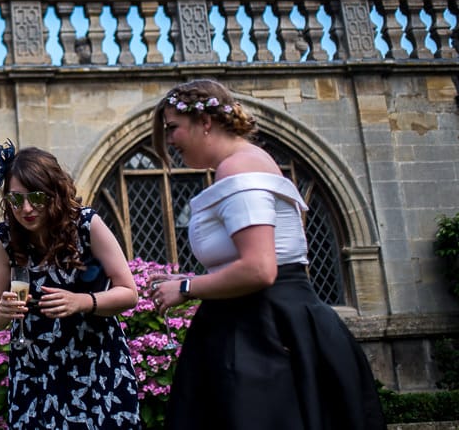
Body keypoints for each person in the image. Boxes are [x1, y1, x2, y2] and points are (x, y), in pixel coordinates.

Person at [148, 78, 386, 430]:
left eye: (173, 128)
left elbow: (260, 269)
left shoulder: (238, 167)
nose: (169, 140)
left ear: (206, 123)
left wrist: (186, 288)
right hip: (265, 319)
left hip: (262, 329)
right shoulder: (249, 162)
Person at [0, 142, 142, 429]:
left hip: (97, 367)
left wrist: (83, 302)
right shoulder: (3, 239)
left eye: (35, 198)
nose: (26, 208)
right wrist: (4, 311)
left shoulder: (87, 225)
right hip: (35, 375)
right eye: (16, 200)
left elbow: (129, 293)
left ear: (54, 192)